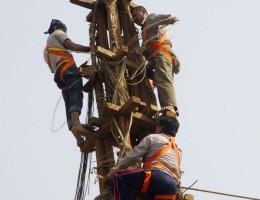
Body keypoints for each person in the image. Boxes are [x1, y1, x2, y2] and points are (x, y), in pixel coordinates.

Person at [109, 108, 182, 200]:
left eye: (158, 126)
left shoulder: (153, 138)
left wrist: (117, 168)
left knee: (118, 176)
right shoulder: (178, 149)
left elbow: (135, 155)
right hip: (172, 187)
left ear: (161, 127)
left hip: (156, 177)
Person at [43, 19, 90, 147]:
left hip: (58, 75)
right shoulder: (58, 33)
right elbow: (73, 46)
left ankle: (79, 138)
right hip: (67, 68)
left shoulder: (46, 50)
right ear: (59, 28)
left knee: (68, 101)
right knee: (76, 94)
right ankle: (76, 123)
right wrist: (91, 49)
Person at [131, 6, 181, 116]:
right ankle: (162, 107)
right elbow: (148, 48)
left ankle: (170, 109)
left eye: (135, 15)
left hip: (162, 54)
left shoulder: (150, 18)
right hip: (156, 57)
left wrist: (170, 19)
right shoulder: (144, 31)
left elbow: (162, 18)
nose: (134, 19)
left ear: (143, 12)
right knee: (147, 75)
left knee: (162, 80)